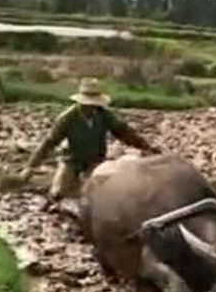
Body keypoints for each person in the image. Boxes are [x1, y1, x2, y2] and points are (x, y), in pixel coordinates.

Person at [22, 77, 155, 201]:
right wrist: (31, 165)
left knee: (100, 194)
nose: (91, 107)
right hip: (72, 160)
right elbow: (49, 142)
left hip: (95, 160)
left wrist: (146, 147)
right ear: (80, 102)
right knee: (58, 193)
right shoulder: (68, 118)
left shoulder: (103, 115)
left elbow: (124, 132)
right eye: (88, 104)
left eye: (94, 104)